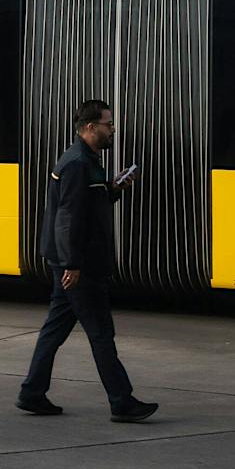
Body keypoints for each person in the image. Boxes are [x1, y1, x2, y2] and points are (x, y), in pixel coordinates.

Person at [16, 98, 158, 423]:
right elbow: (69, 218)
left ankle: (32, 392)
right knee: (100, 333)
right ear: (90, 127)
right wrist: (72, 264)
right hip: (82, 265)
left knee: (55, 329)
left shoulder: (87, 160)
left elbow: (89, 203)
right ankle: (121, 401)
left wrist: (113, 187)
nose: (113, 130)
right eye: (108, 124)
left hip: (74, 260)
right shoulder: (78, 163)